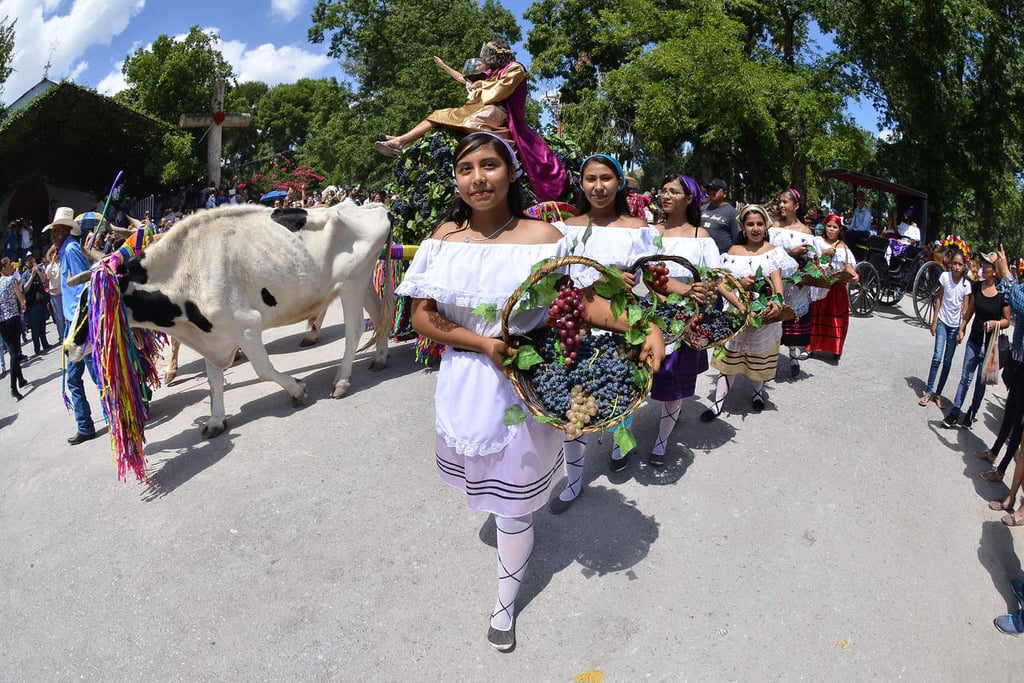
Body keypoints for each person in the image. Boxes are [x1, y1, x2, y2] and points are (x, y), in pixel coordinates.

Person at [395, 132, 663, 651]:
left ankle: (504, 603)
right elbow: (421, 316)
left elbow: (580, 305)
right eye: (466, 168)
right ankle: (505, 533)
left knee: (513, 506)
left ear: (512, 172)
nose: (478, 178)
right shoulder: (444, 237)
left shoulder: (543, 237)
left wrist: (641, 324)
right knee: (487, 489)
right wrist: (482, 343)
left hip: (528, 384)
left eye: (490, 165)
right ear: (456, 178)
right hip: (466, 379)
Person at [555, 154, 657, 488]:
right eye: (590, 179)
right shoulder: (564, 231)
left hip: (623, 325)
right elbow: (554, 284)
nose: (598, 187)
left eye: (606, 179)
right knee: (573, 403)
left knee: (619, 393)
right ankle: (574, 480)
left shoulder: (639, 229)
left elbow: (656, 279)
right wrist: (598, 280)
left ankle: (619, 448)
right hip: (577, 330)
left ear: (619, 183)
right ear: (581, 184)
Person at [375, 40, 568, 202]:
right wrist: (444, 66)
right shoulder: (494, 72)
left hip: (500, 113)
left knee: (471, 121)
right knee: (440, 113)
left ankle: (403, 141)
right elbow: (465, 79)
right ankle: (402, 141)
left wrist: (482, 85)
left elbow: (498, 93)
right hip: (482, 108)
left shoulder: (515, 69)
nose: (485, 61)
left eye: (488, 57)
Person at [646, 174, 718, 465]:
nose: (665, 196)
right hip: (652, 315)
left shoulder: (702, 237)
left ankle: (662, 441)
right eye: (663, 190)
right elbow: (648, 275)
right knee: (641, 375)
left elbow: (715, 279)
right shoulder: (650, 233)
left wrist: (740, 301)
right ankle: (620, 444)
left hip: (686, 321)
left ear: (689, 199)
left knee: (674, 381)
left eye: (673, 192)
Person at [702, 204, 794, 422]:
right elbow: (722, 285)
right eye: (750, 224)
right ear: (742, 227)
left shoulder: (772, 252)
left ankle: (757, 393)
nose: (755, 228)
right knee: (730, 359)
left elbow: (778, 285)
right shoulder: (732, 252)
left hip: (763, 317)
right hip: (737, 314)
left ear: (765, 226)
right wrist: (740, 287)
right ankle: (717, 405)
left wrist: (775, 302)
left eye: (759, 224)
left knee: (757, 358)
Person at [42, 207, 97, 445]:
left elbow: (86, 284)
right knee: (77, 378)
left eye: (56, 230)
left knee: (97, 375)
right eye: (52, 231)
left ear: (65, 230)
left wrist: (80, 324)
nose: (53, 234)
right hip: (71, 325)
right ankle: (85, 425)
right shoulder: (64, 251)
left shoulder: (72, 249)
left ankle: (115, 415)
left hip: (79, 324)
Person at [979, 246, 1024, 525]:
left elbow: (1019, 304)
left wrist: (1006, 272)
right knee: (1012, 419)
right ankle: (1009, 493)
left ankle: (1005, 477)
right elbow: (1013, 298)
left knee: (1018, 427)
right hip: (1020, 363)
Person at [942, 252, 1010, 429]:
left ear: (994, 271)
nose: (983, 266)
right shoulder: (977, 287)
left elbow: (1007, 320)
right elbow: (971, 310)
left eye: (987, 264)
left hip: (989, 347)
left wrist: (995, 323)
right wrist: (962, 328)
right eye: (984, 263)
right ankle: (955, 411)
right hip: (974, 341)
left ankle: (972, 412)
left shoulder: (1002, 294)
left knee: (981, 383)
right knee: (965, 378)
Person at [769, 188, 819, 377]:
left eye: (785, 202)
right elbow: (770, 253)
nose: (781, 205)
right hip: (776, 281)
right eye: (780, 202)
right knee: (773, 320)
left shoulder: (805, 231)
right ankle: (770, 359)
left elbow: (812, 257)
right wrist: (791, 253)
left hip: (797, 284)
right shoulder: (774, 227)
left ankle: (792, 355)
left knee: (794, 321)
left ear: (796, 206)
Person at [919, 247, 971, 408]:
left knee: (947, 362)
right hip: (942, 321)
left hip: (954, 327)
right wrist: (934, 321)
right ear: (950, 265)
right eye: (954, 263)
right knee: (937, 357)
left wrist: (962, 329)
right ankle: (928, 391)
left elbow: (966, 311)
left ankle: (938, 393)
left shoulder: (966, 285)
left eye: (959, 264)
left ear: (964, 267)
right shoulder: (945, 277)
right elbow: (939, 300)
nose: (956, 267)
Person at [806, 214, 858, 361]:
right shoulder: (817, 242)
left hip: (836, 289)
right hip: (819, 285)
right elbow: (809, 259)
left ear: (839, 229)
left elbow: (848, 267)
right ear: (824, 226)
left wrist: (855, 277)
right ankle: (810, 347)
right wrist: (824, 252)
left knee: (836, 319)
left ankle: (835, 349)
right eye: (829, 226)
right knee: (816, 317)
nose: (831, 229)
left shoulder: (843, 248)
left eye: (834, 227)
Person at [0, 257, 28, 400]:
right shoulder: (11, 280)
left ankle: (21, 379)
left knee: (13, 350)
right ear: (3, 269)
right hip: (12, 318)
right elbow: (20, 296)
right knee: (14, 352)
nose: (12, 266)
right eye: (9, 265)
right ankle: (13, 387)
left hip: (2, 321)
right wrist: (23, 303)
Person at [20, 252, 52, 355]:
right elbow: (25, 288)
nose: (31, 261)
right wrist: (32, 276)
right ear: (26, 263)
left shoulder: (39, 269)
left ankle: (45, 343)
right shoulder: (25, 275)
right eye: (28, 260)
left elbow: (44, 280)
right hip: (32, 304)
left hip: (41, 301)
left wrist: (37, 272)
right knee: (34, 327)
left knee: (42, 324)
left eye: (32, 258)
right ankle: (37, 348)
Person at [699, 178, 740, 254]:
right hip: (701, 255)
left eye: (715, 190)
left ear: (724, 193)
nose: (711, 192)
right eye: (710, 190)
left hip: (721, 256)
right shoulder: (702, 209)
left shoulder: (732, 212)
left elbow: (737, 238)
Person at [43, 245, 65, 344]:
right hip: (55, 293)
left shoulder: (62, 262)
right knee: (58, 316)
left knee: (65, 314)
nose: (55, 255)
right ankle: (61, 336)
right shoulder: (49, 266)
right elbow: (47, 274)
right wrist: (52, 261)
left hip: (63, 291)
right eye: (53, 253)